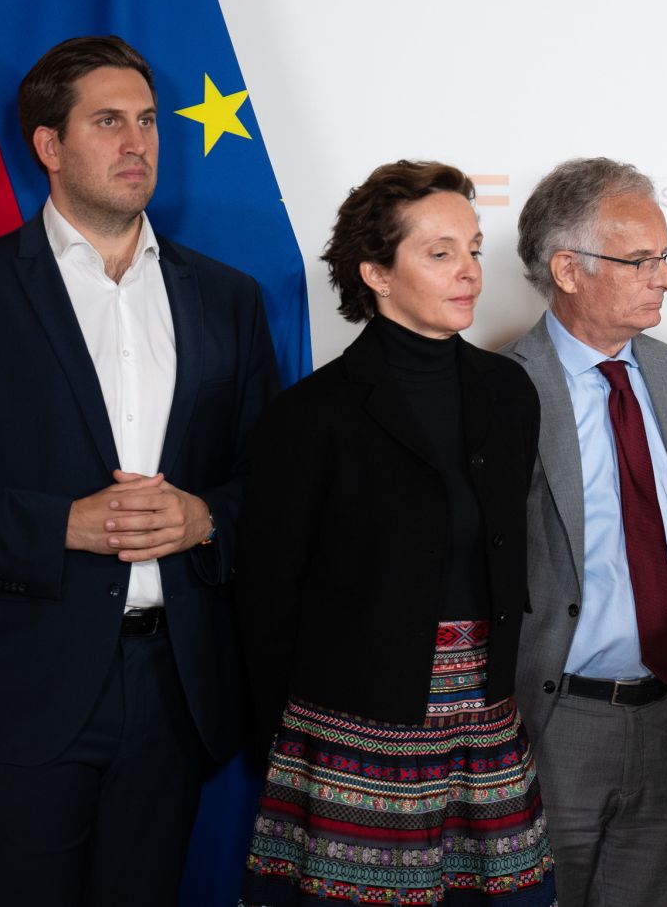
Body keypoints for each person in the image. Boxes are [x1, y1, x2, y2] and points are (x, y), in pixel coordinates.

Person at [0, 35, 280, 906]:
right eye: (108, 121)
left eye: (147, 121)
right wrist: (60, 524)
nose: (137, 142)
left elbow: (269, 478)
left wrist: (206, 518)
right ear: (48, 145)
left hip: (174, 692)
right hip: (21, 691)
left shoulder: (228, 297)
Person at [235, 160, 554, 905]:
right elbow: (266, 596)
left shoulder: (510, 393)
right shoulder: (310, 415)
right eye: (439, 252)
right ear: (375, 272)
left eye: (473, 248)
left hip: (487, 718)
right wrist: (274, 743)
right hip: (357, 730)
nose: (470, 270)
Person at [501, 157, 667, 906]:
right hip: (554, 721)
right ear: (567, 268)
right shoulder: (504, 391)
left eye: (666, 257)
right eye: (642, 261)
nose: (665, 278)